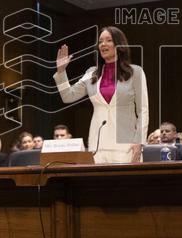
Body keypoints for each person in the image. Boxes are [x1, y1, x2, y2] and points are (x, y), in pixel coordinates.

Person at [55, 26, 149, 163]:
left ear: (119, 44)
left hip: (126, 144)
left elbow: (143, 110)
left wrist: (139, 141)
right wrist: (61, 72)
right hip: (98, 144)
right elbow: (68, 96)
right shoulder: (91, 73)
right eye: (100, 42)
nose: (103, 44)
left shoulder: (135, 72)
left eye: (108, 40)